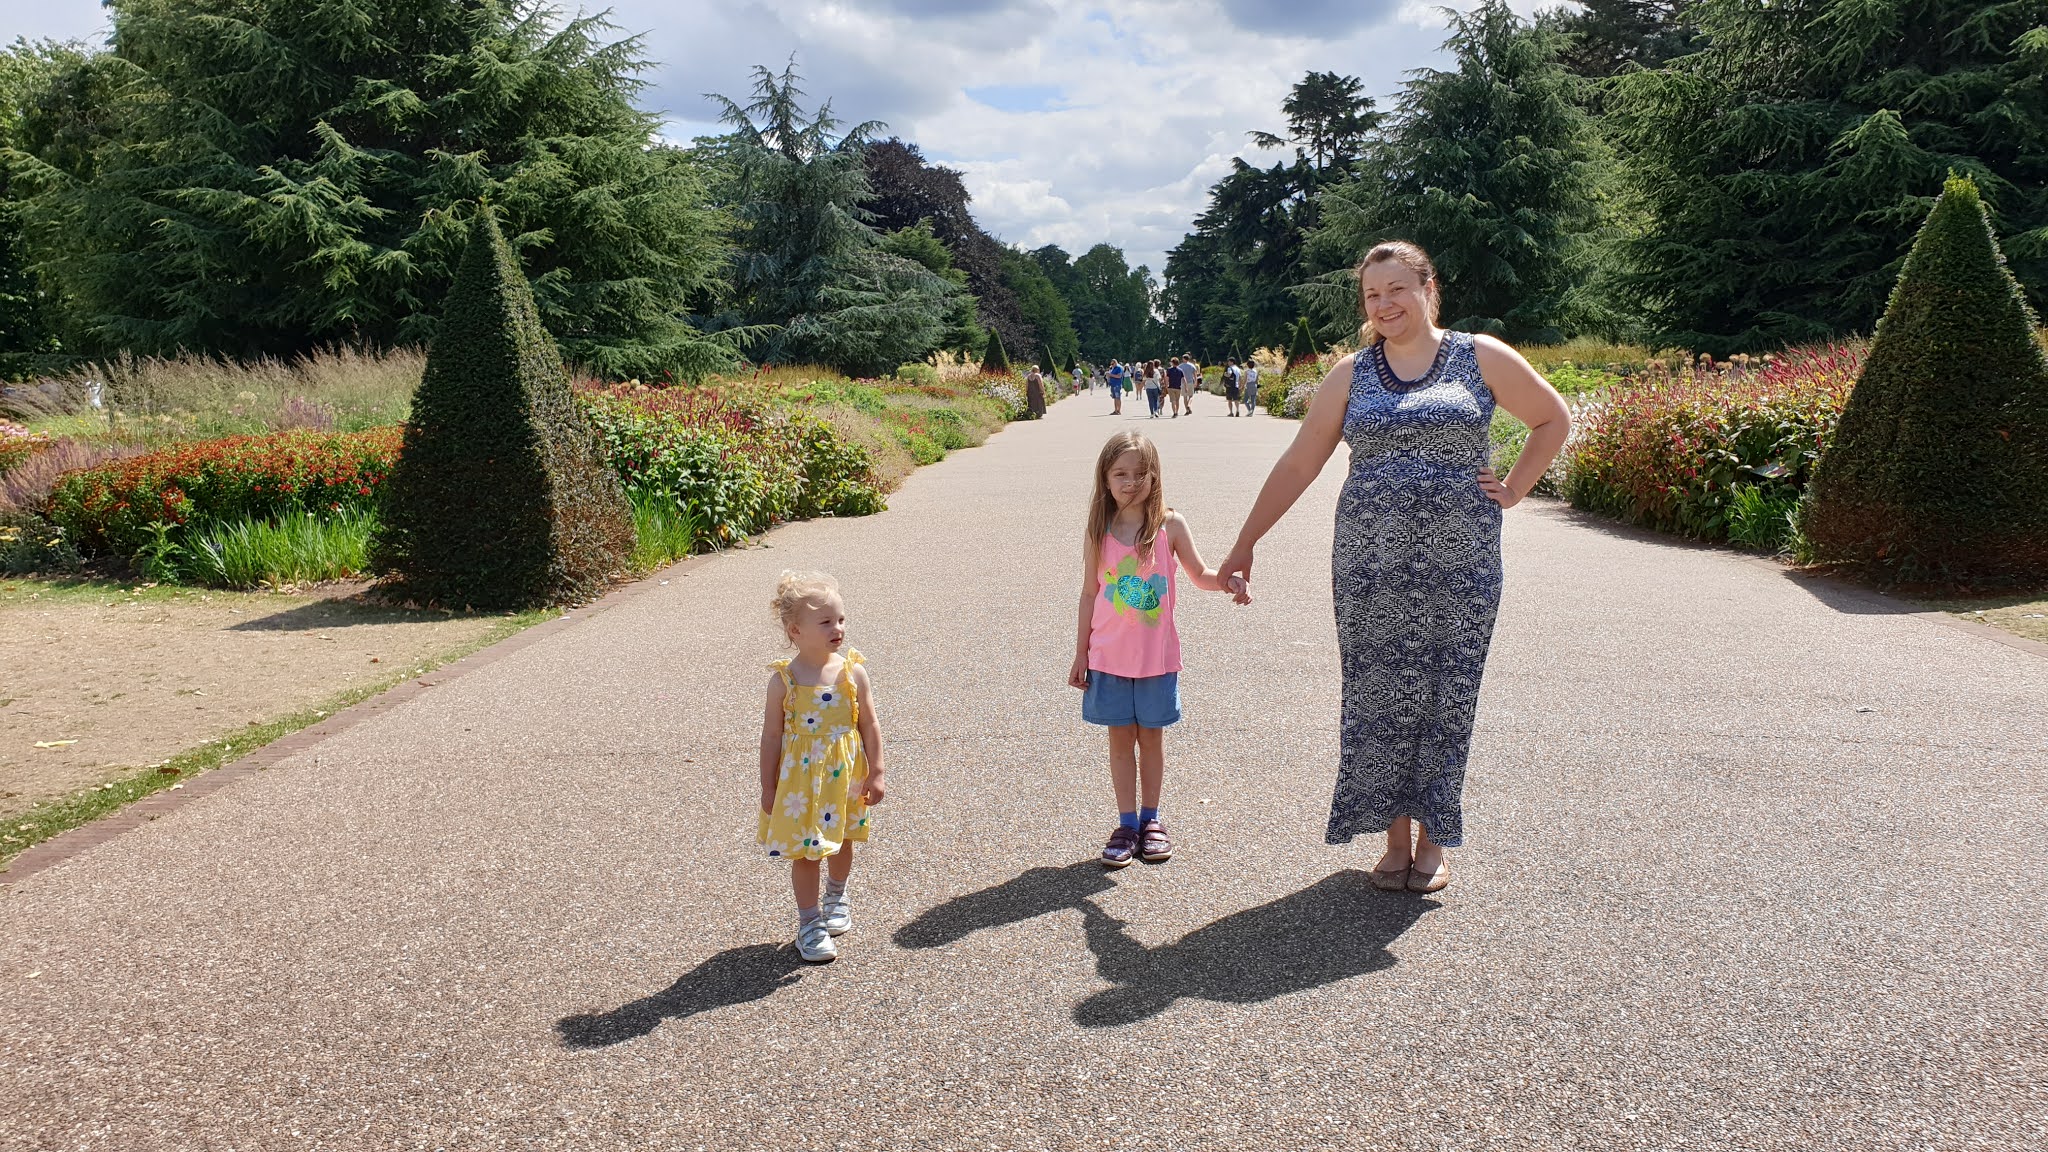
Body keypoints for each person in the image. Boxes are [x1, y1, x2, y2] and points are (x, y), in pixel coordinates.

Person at [1217, 240, 1569, 895]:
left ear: (1427, 289)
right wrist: (1246, 542)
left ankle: (1434, 840)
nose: (1384, 305)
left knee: (1445, 692)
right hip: (1370, 568)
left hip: (1460, 567)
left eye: (1396, 290)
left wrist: (1516, 487)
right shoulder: (1350, 375)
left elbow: (1553, 418)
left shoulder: (1479, 356)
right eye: (1372, 295)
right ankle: (1393, 841)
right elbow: (1300, 464)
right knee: (1378, 696)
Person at [1069, 431, 1247, 868]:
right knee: (1118, 744)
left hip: (1155, 660)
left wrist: (1227, 580)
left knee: (1151, 740)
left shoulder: (1169, 525)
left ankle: (1151, 820)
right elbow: (1090, 594)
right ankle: (1126, 822)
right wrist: (1080, 653)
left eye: (1141, 473)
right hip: (1108, 658)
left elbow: (1199, 573)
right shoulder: (1099, 529)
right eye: (1120, 474)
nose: (1131, 482)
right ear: (1105, 478)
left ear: (1155, 476)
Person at [759, 571, 886, 962]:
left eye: (841, 619)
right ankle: (809, 921)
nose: (838, 628)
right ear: (795, 630)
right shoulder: (785, 681)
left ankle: (837, 894)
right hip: (799, 785)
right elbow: (772, 737)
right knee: (805, 852)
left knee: (843, 839)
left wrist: (877, 770)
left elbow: (869, 723)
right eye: (827, 621)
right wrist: (767, 787)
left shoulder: (852, 674)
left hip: (844, 779)